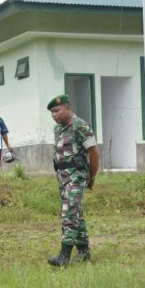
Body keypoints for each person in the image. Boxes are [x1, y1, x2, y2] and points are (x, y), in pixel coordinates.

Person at [47, 94, 99, 267]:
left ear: (68, 108)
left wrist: (92, 176)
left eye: (57, 110)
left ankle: (64, 254)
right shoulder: (57, 129)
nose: (54, 115)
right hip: (63, 177)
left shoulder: (80, 126)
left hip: (77, 175)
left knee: (68, 212)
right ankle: (84, 251)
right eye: (52, 112)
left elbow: (94, 152)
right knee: (76, 213)